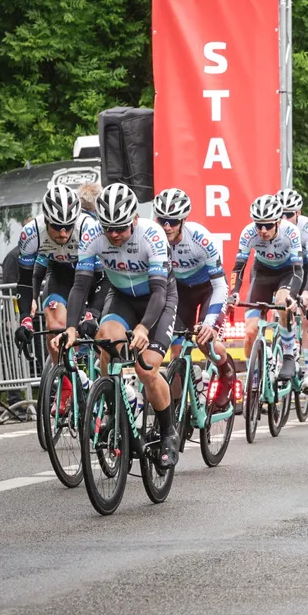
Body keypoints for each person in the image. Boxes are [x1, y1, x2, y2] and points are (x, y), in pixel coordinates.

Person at [65, 184, 180, 468]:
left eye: (121, 228)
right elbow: (80, 285)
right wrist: (70, 327)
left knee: (147, 368)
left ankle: (168, 431)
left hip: (157, 300)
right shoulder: (93, 235)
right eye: (109, 228)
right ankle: (118, 412)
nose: (114, 235)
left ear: (135, 221)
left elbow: (158, 293)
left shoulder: (151, 235)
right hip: (122, 298)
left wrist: (143, 328)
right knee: (106, 341)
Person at [154, 188, 236, 407]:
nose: (166, 226)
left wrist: (209, 323)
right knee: (176, 351)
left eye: (172, 221)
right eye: (162, 220)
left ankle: (226, 373)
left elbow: (220, 284)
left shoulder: (200, 238)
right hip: (181, 291)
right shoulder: (153, 239)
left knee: (206, 342)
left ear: (183, 220)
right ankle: (178, 410)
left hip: (209, 288)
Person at [13, 184, 108, 367]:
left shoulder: (89, 228)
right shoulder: (32, 233)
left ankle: (109, 380)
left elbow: (104, 278)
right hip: (60, 273)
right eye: (57, 226)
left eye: (67, 226)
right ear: (46, 220)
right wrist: (26, 319)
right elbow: (25, 280)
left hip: (92, 278)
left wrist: (92, 313)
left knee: (103, 335)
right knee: (55, 326)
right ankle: (70, 381)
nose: (63, 232)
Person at [230, 194, 304, 381]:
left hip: (287, 272)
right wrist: (234, 293)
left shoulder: (291, 232)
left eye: (268, 225)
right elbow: (239, 267)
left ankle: (288, 353)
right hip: (262, 272)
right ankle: (253, 378)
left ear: (278, 221)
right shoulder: (248, 233)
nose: (262, 230)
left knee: (281, 302)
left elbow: (298, 270)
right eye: (259, 225)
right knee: (250, 332)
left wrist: (292, 296)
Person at [278, 189, 308, 392]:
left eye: (289, 214)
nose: (285, 218)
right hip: (284, 271)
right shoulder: (274, 227)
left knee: (306, 315)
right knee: (281, 308)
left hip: (305, 270)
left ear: (298, 212)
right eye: (281, 214)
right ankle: (288, 352)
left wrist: (306, 292)